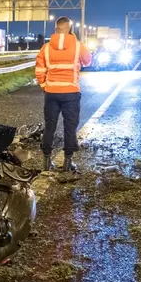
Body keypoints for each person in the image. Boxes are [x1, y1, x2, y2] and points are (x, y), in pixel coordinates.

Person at [35, 17, 92, 172]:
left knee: (50, 126)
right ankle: (67, 162)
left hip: (51, 92)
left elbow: (39, 69)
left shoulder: (46, 48)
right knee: (70, 127)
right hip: (71, 93)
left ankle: (46, 162)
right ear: (70, 29)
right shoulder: (78, 46)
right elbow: (88, 61)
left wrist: (44, 85)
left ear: (56, 29)